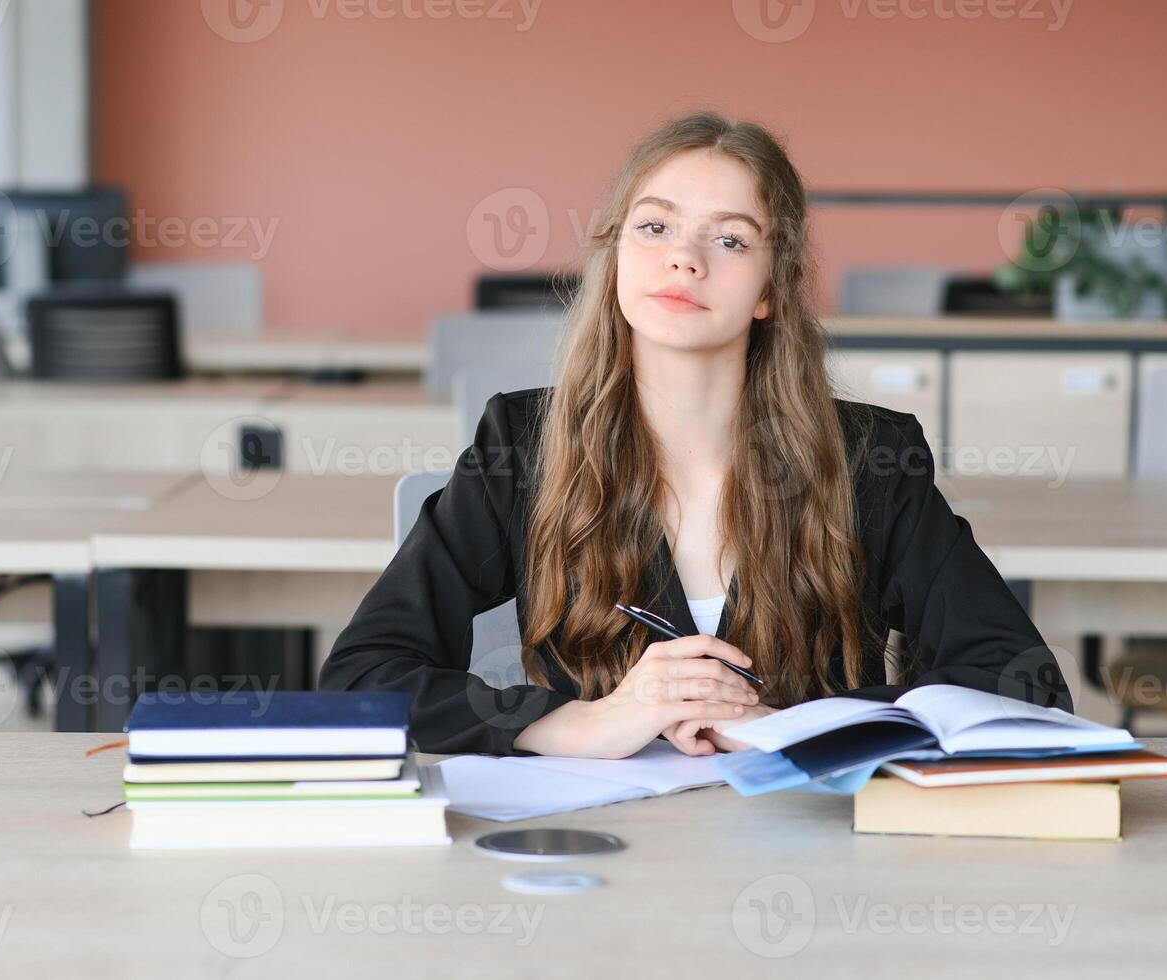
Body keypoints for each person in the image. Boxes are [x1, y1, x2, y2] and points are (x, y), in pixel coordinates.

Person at [320, 111, 1070, 758]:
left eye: (733, 241)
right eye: (654, 226)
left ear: (773, 289)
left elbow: (1021, 684)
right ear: (615, 256)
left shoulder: (870, 460)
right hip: (603, 856)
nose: (684, 257)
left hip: (812, 854)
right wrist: (580, 722)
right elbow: (365, 674)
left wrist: (788, 727)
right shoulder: (523, 444)